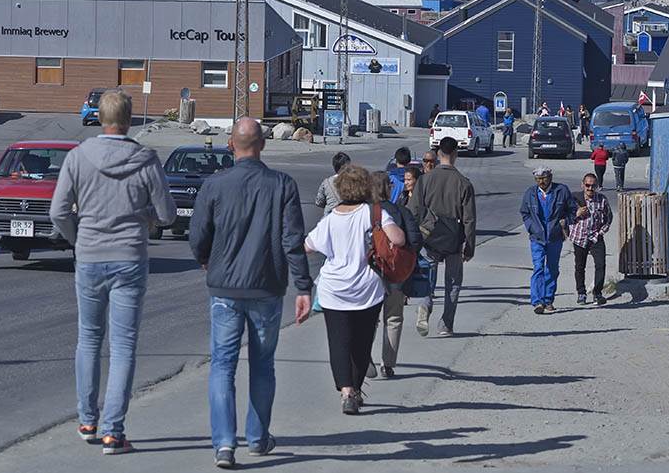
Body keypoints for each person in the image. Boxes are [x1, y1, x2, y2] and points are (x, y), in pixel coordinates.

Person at [50, 90, 176, 456]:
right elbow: (167, 214)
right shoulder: (145, 159)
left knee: (88, 339)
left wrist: (78, 239)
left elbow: (58, 212)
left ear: (100, 118)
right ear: (129, 119)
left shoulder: (77, 157)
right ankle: (113, 432)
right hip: (129, 258)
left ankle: (87, 420)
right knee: (123, 347)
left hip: (90, 256)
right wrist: (144, 217)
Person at [190, 117, 312, 468]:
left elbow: (198, 235)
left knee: (222, 366)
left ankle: (224, 445)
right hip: (266, 286)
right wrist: (303, 287)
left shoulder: (214, 185)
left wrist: (206, 260)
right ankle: (257, 438)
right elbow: (292, 241)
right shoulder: (282, 185)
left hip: (225, 288)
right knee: (262, 365)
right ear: (263, 145)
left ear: (231, 145)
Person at [306, 165, 404, 415]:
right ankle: (356, 389)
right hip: (367, 290)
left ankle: (346, 392)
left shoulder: (331, 218)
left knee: (338, 342)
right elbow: (399, 239)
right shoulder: (374, 213)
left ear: (340, 189)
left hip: (334, 290)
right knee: (362, 342)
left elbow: (308, 245)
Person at [412, 137, 476, 337]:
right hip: (453, 238)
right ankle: (446, 325)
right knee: (453, 282)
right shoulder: (463, 183)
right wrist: (469, 246)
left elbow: (413, 211)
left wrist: (414, 237)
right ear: (455, 154)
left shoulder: (424, 180)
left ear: (438, 154)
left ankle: (425, 305)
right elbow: (469, 219)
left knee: (427, 278)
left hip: (428, 236)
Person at [371, 169, 421, 379]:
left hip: (370, 273)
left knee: (368, 319)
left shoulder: (363, 212)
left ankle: (364, 356)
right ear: (389, 188)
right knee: (393, 318)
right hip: (394, 272)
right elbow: (415, 240)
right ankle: (388, 364)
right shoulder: (401, 211)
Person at [520, 167, 574, 314]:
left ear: (550, 177)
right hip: (537, 237)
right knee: (538, 267)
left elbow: (572, 209)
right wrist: (531, 227)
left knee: (552, 268)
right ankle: (537, 301)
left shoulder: (561, 191)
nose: (541, 182)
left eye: (544, 178)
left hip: (554, 237)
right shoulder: (530, 193)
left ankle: (548, 299)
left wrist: (566, 221)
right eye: (538, 179)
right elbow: (525, 213)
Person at [569, 173, 613, 306]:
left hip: (595, 237)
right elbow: (564, 216)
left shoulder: (602, 199)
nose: (590, 188)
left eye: (593, 186)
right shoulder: (574, 199)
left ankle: (597, 293)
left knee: (600, 265)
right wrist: (576, 214)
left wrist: (601, 232)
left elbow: (608, 217)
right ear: (582, 185)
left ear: (597, 186)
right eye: (587, 185)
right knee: (580, 267)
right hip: (579, 237)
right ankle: (581, 293)